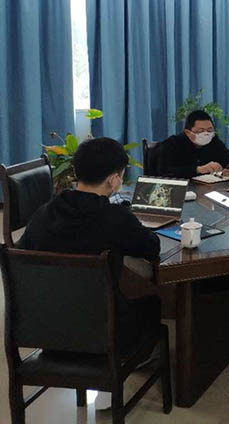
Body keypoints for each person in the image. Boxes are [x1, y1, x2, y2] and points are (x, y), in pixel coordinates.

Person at [17, 137, 161, 354]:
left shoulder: (43, 213)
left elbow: (22, 253)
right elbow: (151, 247)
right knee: (152, 299)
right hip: (106, 335)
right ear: (114, 180)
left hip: (46, 330)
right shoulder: (115, 218)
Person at [156, 110, 229, 178]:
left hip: (211, 188)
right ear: (188, 132)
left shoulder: (214, 141)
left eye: (209, 130)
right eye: (201, 131)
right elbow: (164, 172)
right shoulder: (172, 144)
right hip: (185, 190)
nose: (206, 134)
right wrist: (198, 169)